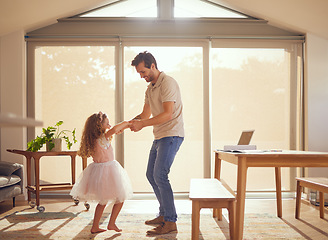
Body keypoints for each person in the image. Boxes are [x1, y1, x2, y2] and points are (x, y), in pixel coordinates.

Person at [130, 51, 184, 235]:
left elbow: (168, 114)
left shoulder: (168, 82)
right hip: (160, 136)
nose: (142, 76)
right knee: (151, 174)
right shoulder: (150, 88)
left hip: (172, 134)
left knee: (160, 175)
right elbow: (145, 115)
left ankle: (170, 222)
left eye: (143, 72)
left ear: (152, 65)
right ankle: (164, 215)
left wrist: (142, 124)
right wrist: (128, 123)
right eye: (139, 73)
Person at [70, 112, 133, 234]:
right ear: (99, 125)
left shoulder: (95, 139)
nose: (109, 124)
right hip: (108, 172)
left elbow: (115, 130)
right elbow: (115, 129)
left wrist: (123, 127)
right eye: (106, 122)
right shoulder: (103, 138)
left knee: (103, 201)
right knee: (120, 198)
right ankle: (111, 223)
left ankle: (96, 226)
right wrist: (129, 123)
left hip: (100, 171)